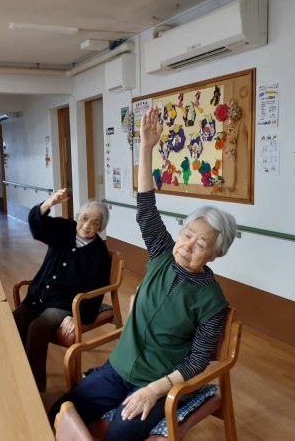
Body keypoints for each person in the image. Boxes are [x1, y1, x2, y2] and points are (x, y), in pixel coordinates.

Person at [48, 108, 237, 440]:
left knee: (118, 435)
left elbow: (197, 361)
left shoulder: (211, 300)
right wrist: (147, 147)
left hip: (159, 382)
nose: (188, 245)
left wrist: (154, 390)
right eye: (187, 234)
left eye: (201, 243)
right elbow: (146, 209)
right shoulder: (163, 253)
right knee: (59, 411)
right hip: (118, 368)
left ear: (216, 253)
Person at [13, 188, 111, 392]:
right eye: (85, 218)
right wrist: (49, 203)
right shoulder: (65, 229)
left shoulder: (99, 252)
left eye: (95, 222)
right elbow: (37, 227)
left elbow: (96, 289)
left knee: (38, 327)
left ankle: (34, 387)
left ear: (100, 227)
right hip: (39, 296)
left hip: (63, 304)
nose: (87, 225)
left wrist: (77, 316)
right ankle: (15, 371)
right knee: (14, 321)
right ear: (78, 217)